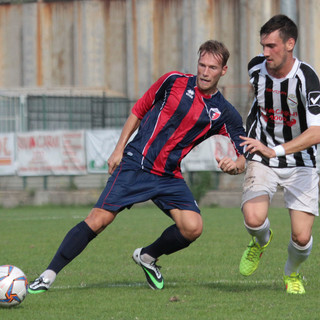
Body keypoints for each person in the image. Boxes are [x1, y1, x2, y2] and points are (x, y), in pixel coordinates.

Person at [28, 40, 246, 293]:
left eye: (212, 67)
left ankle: (147, 257)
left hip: (168, 175)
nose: (205, 72)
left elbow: (244, 153)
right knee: (98, 220)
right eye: (202, 65)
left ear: (224, 71)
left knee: (193, 227)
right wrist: (118, 148)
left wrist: (236, 166)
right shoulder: (173, 81)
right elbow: (139, 110)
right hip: (136, 164)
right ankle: (47, 275)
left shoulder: (224, 111)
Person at [238, 14, 320, 294]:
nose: (265, 52)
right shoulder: (255, 69)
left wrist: (277, 150)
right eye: (263, 45)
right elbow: (255, 109)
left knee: (301, 236)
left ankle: (292, 273)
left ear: (290, 44)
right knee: (253, 218)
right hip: (263, 154)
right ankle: (260, 241)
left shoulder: (307, 78)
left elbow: (317, 132)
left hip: (302, 160)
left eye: (272, 46)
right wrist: (247, 151)